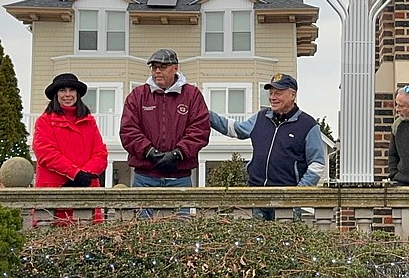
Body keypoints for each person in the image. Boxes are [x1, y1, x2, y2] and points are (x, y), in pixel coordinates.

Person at [209, 73, 325, 221]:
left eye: (278, 93)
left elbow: (317, 164)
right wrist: (206, 115)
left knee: (285, 243)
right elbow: (235, 129)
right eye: (270, 93)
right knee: (258, 242)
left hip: (287, 200)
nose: (272, 97)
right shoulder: (260, 117)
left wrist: (299, 192)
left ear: (292, 95)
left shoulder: (308, 125)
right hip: (257, 195)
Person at [119, 48, 211, 218]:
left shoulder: (192, 95)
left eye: (162, 67)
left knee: (181, 232)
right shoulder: (138, 95)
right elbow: (128, 130)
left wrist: (178, 153)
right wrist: (150, 152)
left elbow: (200, 129)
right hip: (144, 177)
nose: (157, 72)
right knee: (143, 233)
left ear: (175, 68)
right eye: (154, 67)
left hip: (180, 177)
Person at [32, 73, 108, 225]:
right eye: (62, 90)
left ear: (77, 94)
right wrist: (75, 174)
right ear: (56, 94)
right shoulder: (44, 121)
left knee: (89, 239)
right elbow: (46, 154)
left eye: (71, 90)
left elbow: (100, 153)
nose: (67, 95)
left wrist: (85, 175)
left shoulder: (89, 121)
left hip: (86, 190)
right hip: (55, 191)